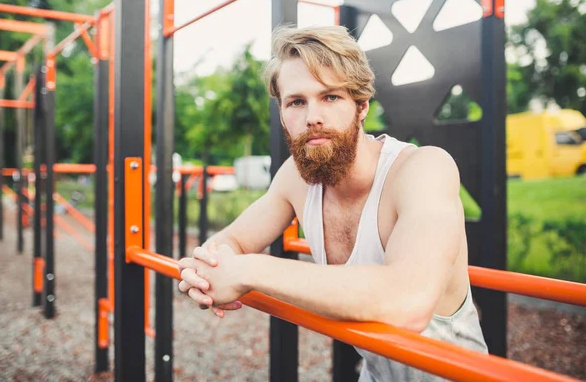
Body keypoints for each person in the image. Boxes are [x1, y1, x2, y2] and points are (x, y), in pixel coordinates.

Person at [178, 25, 488, 381]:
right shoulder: (295, 176)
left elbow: (407, 303)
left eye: (330, 97)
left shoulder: (423, 169)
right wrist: (201, 272)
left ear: (361, 107)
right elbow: (226, 244)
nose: (313, 117)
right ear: (282, 114)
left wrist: (249, 271)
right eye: (297, 101)